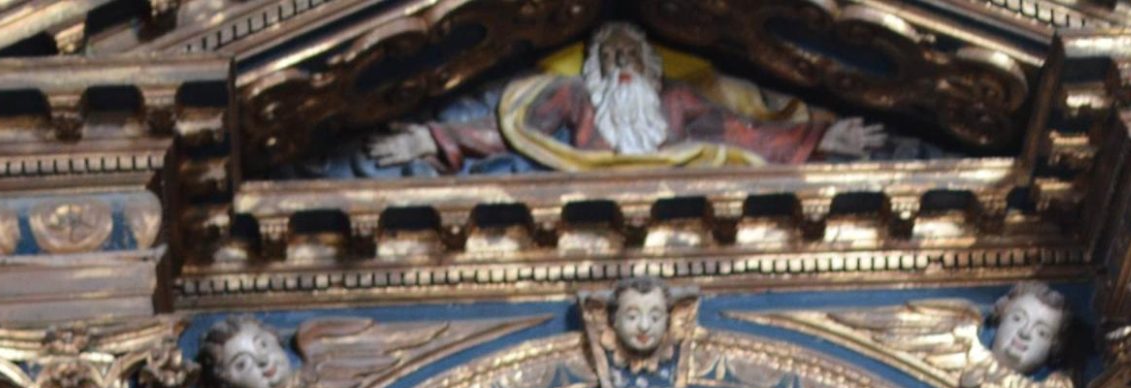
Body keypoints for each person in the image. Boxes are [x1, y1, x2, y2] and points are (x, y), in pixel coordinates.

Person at [369, 21, 895, 175]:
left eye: (631, 56)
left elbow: (743, 134)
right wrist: (432, 139)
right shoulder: (574, 97)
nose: (622, 64)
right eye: (611, 56)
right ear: (595, 68)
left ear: (651, 67)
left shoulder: (678, 101)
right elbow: (511, 133)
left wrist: (822, 138)